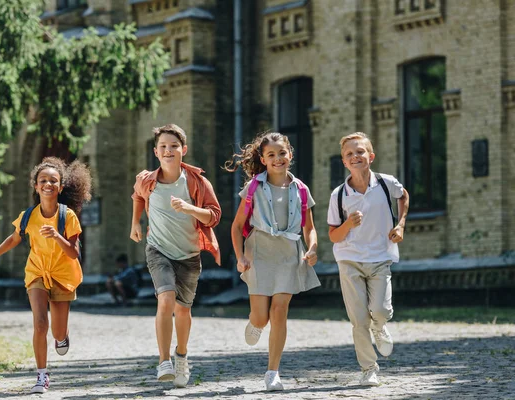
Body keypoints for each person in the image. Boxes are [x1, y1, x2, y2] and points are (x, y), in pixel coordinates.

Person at [0, 157, 92, 394]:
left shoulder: (67, 216)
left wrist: (57, 236)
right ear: (36, 186)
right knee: (39, 323)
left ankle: (62, 336)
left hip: (62, 275)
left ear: (60, 187)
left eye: (53, 181)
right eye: (43, 181)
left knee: (57, 332)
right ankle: (41, 376)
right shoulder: (28, 216)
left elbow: (73, 254)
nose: (48, 184)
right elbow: (14, 238)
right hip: (36, 272)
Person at [225, 132, 320, 391]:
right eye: (271, 155)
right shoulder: (253, 187)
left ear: (290, 154)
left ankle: (272, 372)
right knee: (261, 317)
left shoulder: (301, 188)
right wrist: (240, 257)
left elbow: (309, 228)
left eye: (282, 153)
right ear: (263, 160)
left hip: (289, 254)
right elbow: (236, 227)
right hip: (259, 254)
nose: (278, 159)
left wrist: (312, 248)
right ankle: (255, 322)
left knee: (279, 310)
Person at [130, 124, 221, 388]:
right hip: (158, 249)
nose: (168, 151)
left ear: (184, 150)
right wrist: (135, 223)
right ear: (156, 152)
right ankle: (163, 361)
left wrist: (190, 208)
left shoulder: (197, 182)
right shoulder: (147, 180)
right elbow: (137, 196)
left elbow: (214, 216)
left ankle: (181, 356)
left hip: (189, 254)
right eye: (163, 147)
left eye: (173, 146)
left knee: (183, 309)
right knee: (166, 299)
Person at [327, 132, 409, 386]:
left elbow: (403, 196)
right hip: (349, 260)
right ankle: (368, 369)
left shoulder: (386, 183)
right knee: (359, 319)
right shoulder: (339, 195)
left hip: (380, 257)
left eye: (360, 151)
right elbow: (333, 235)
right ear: (344, 162)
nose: (355, 156)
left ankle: (380, 326)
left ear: (370, 156)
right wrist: (349, 224)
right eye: (349, 154)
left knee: (381, 310)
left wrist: (401, 224)